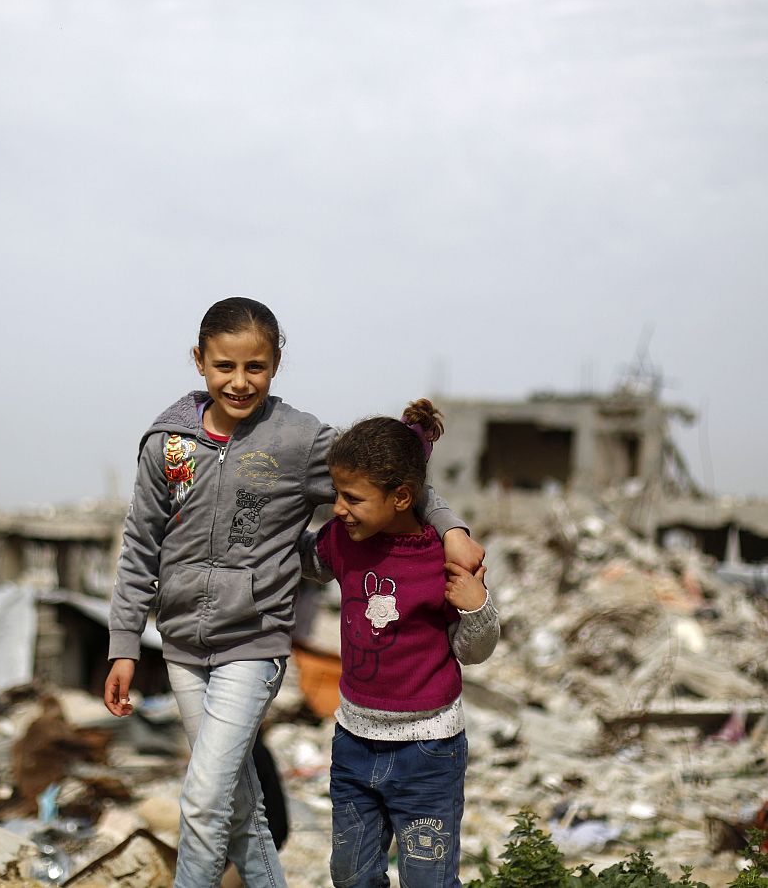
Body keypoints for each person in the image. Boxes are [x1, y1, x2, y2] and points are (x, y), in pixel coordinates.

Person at [104, 298, 483, 888]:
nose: (239, 381)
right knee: (236, 810)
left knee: (202, 802)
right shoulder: (167, 445)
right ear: (199, 361)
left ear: (276, 364)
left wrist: (453, 530)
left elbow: (391, 475)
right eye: (224, 366)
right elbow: (140, 544)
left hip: (254, 642)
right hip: (180, 646)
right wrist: (125, 641)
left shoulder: (299, 440)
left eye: (254, 366)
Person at [301, 399, 499, 888]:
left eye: (352, 498)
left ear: (403, 497)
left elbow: (474, 651)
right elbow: (308, 562)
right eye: (336, 495)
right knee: (351, 875)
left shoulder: (443, 556)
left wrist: (476, 605)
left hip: (428, 751)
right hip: (353, 742)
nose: (339, 508)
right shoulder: (344, 539)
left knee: (427, 879)